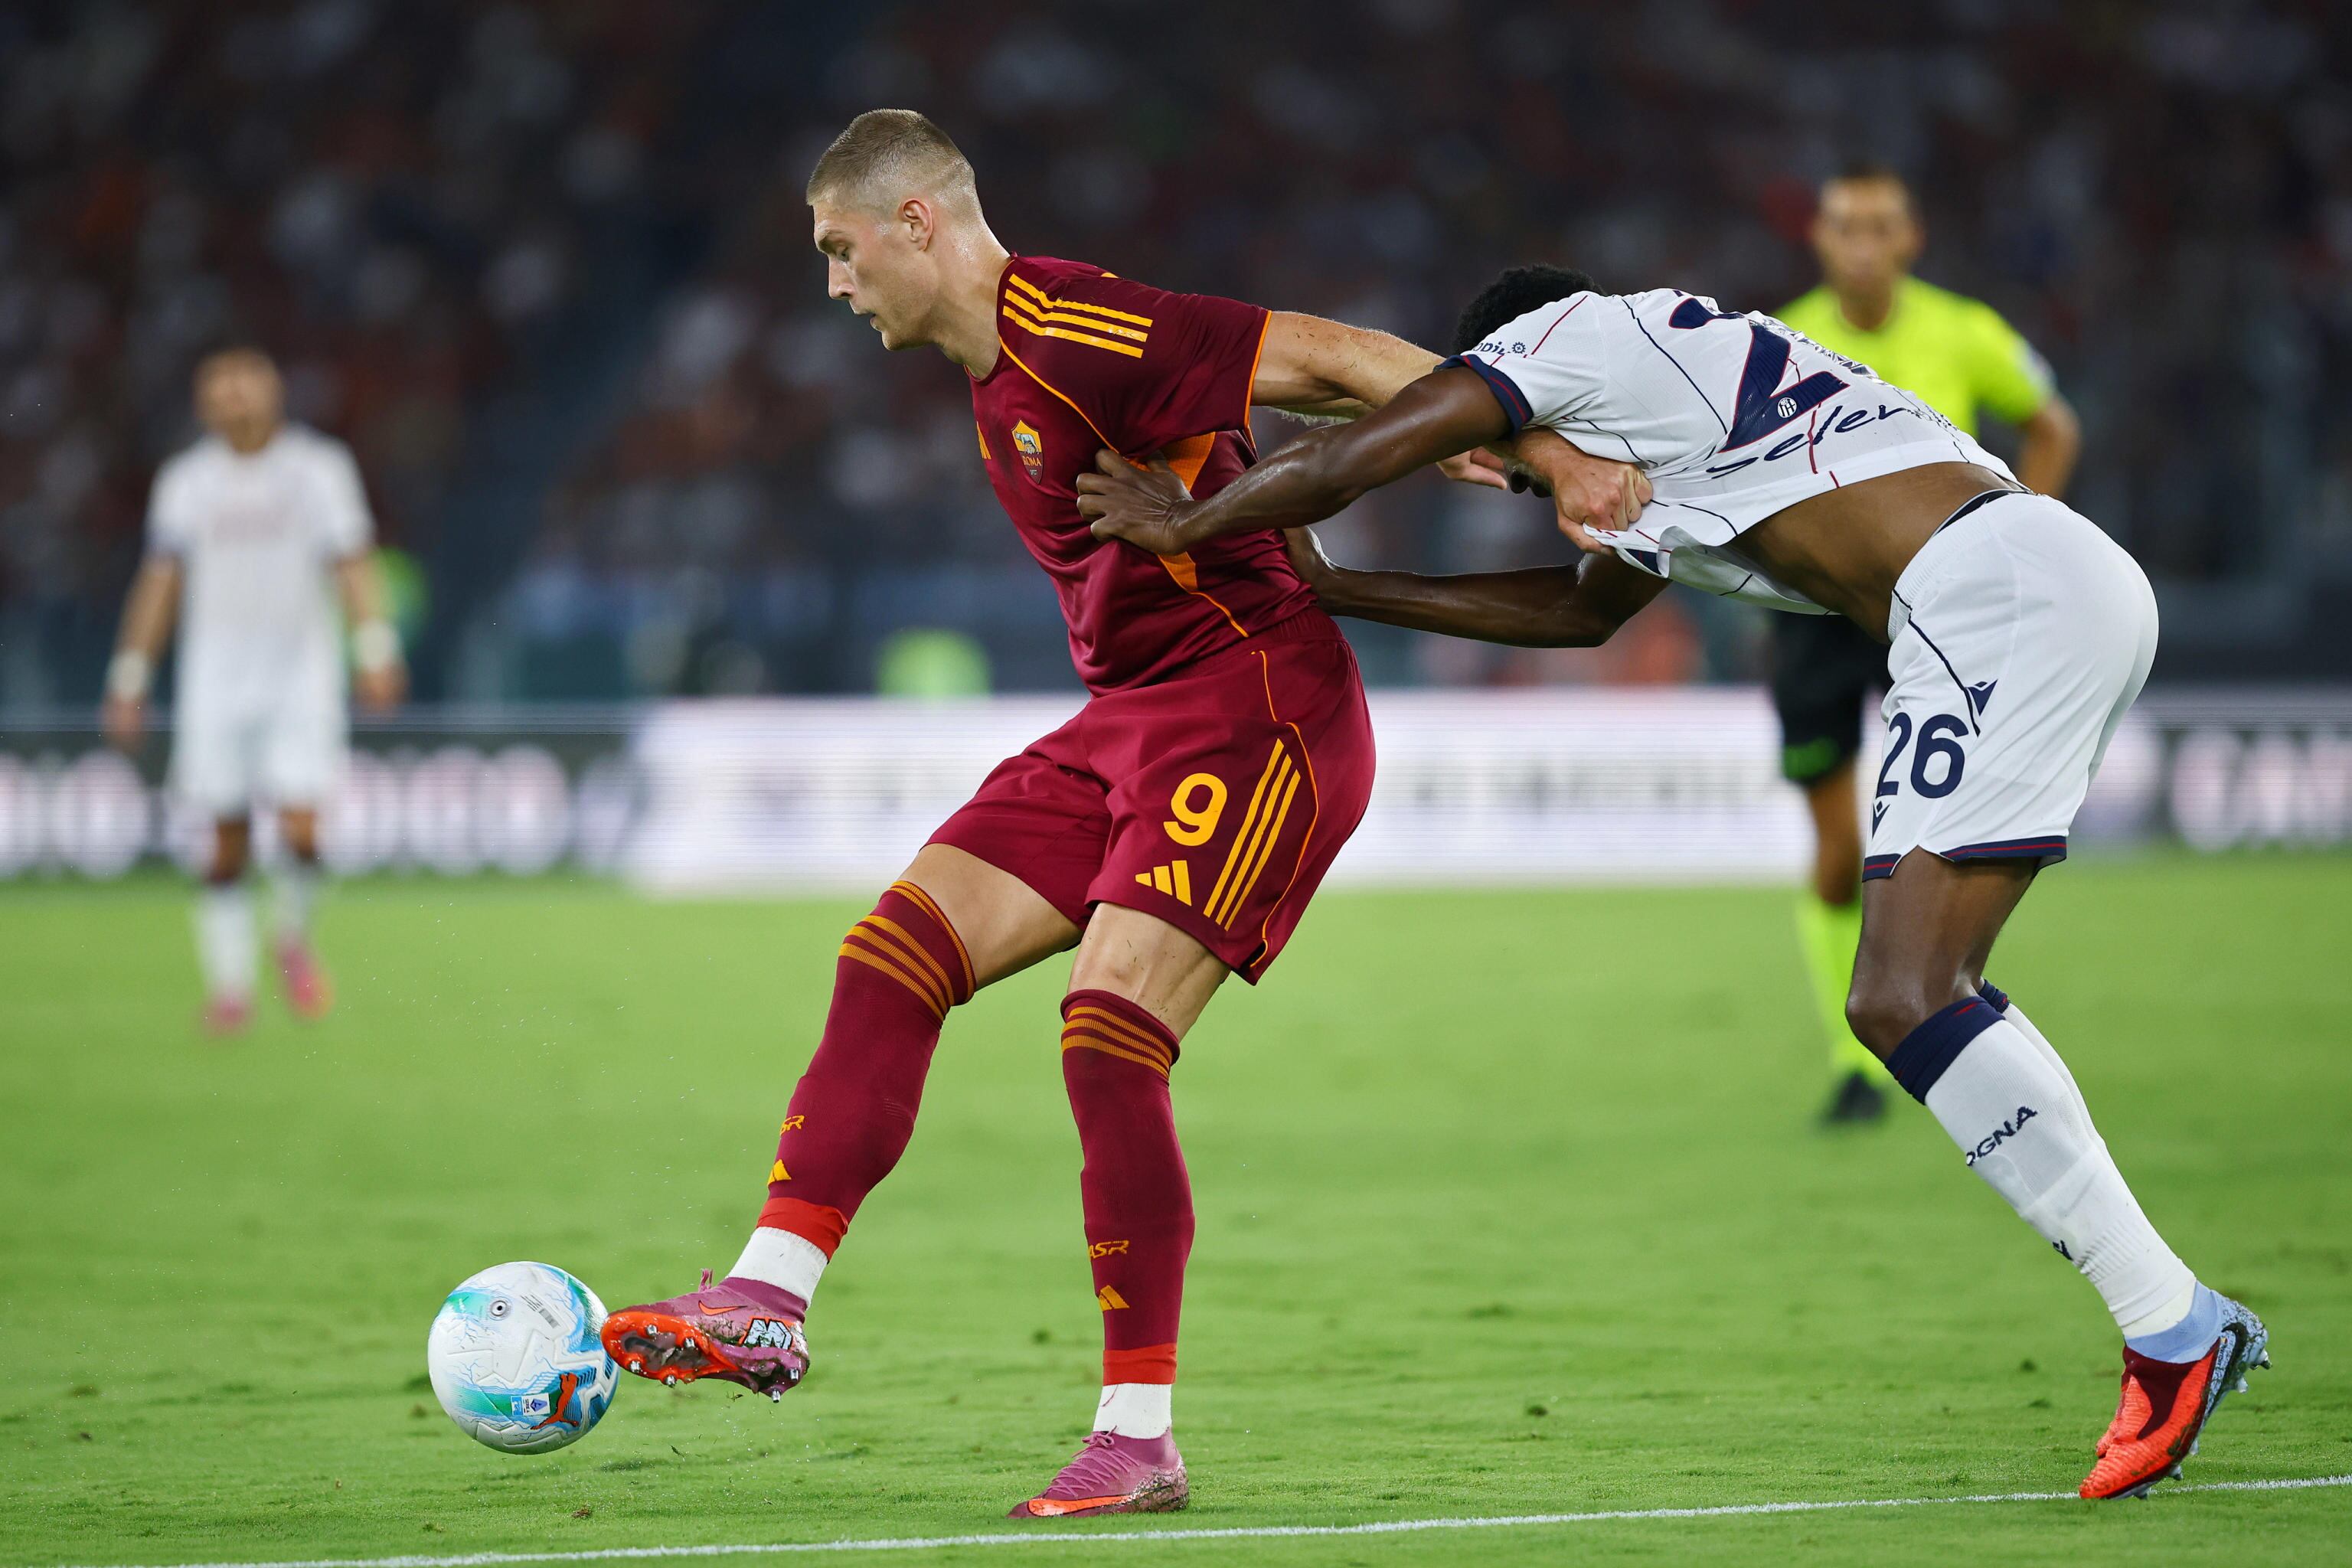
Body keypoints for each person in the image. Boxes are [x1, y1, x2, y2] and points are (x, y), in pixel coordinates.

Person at [1076, 264, 2265, 1503]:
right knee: (1923, 991)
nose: (1520, 479)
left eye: (1504, 447)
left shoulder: (1570, 338)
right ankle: (2172, 1320)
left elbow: (1359, 451)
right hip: (2019, 587)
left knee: (1902, 995)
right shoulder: (1669, 423)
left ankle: (2171, 1326)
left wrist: (1187, 523)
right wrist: (1342, 591)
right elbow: (1577, 611)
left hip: (1990, 600)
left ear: (1501, 373)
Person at [596, 109, 1503, 1521]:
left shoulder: (1075, 325)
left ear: (917, 224)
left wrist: (1489, 424)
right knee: (891, 950)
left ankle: (1137, 1434)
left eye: (841, 252)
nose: (833, 288)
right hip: (1133, 715)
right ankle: (768, 1293)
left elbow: (1317, 353)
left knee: (1105, 1033)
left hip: (1257, 701)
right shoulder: (993, 369)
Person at [1775, 164, 2082, 1123]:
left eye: (1879, 227)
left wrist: (2025, 530)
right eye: (1843, 227)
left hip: (1940, 616)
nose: (1861, 244)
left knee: (1938, 839)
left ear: (1911, 241)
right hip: (1817, 617)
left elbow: (2052, 424)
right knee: (1836, 851)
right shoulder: (1779, 340)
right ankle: (1854, 1057)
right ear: (1820, 241)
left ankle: (1937, 1010)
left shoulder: (1965, 330)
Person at [103, 348, 405, 1034]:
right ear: (203, 403)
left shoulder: (319, 470)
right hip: (215, 682)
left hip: (302, 675)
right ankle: (231, 989)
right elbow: (160, 581)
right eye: (220, 388)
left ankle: (292, 936)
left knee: (302, 828)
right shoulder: (186, 483)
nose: (234, 399)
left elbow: (352, 561)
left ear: (275, 392)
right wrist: (129, 674)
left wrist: (375, 647)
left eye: (245, 385)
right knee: (226, 840)